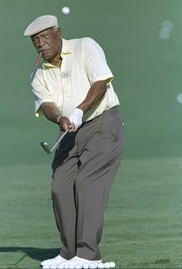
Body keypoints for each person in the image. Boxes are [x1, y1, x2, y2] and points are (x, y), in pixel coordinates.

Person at [24, 15, 125, 268]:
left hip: (103, 125)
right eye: (36, 41)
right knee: (60, 186)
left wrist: (79, 111)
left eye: (45, 37)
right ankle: (69, 254)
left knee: (87, 183)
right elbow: (46, 105)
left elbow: (101, 83)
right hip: (68, 133)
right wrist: (60, 118)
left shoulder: (85, 46)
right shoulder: (38, 75)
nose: (41, 44)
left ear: (58, 32)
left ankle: (88, 255)